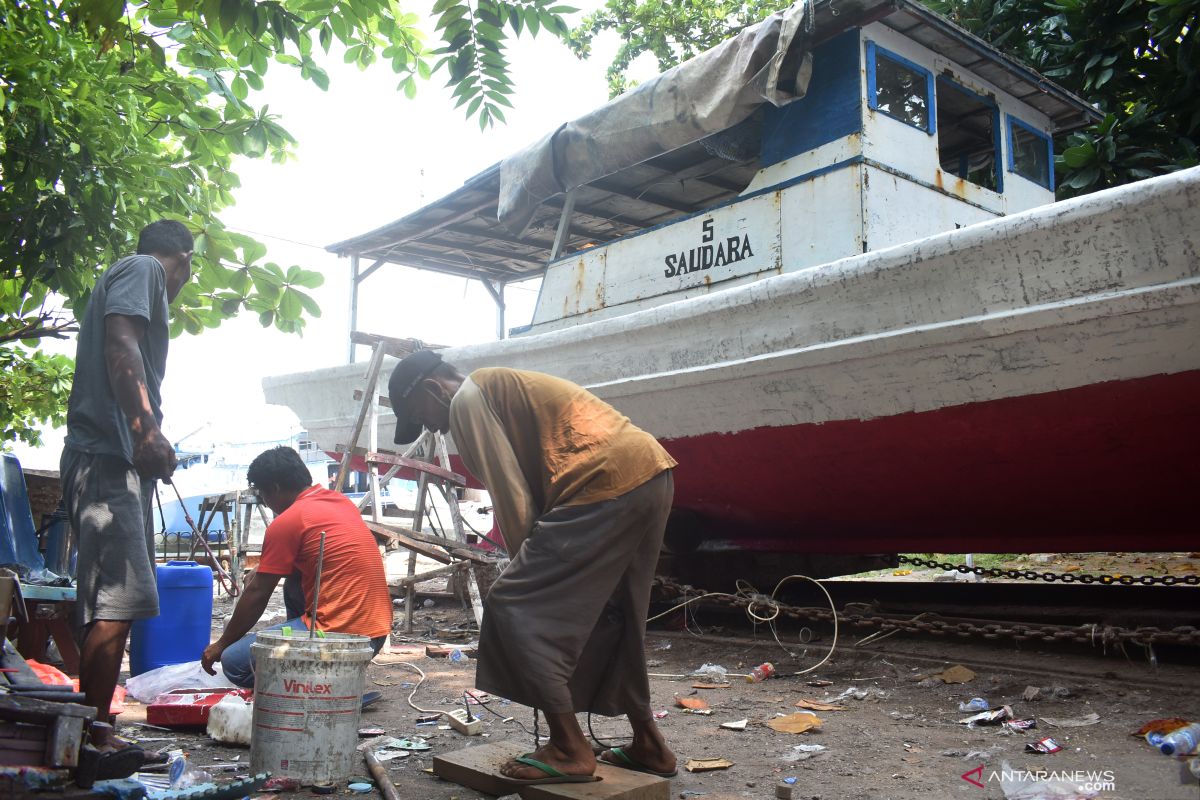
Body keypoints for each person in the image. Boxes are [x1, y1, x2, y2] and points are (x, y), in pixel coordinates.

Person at [387, 350, 678, 785]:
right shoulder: (500, 385)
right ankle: (649, 744)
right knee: (618, 613)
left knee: (512, 604)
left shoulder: (467, 399)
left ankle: (567, 748)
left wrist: (529, 578)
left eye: (421, 416)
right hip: (649, 473)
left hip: (598, 484)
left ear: (433, 389)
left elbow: (512, 496)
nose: (431, 428)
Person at [61, 220, 193, 725]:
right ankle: (92, 737)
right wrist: (145, 431)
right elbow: (121, 344)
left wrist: (146, 435)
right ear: (183, 260)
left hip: (113, 461)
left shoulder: (135, 276)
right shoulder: (144, 270)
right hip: (106, 459)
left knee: (113, 604)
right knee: (117, 604)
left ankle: (91, 731)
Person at [200, 446, 392, 687]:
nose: (266, 502)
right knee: (294, 582)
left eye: (263, 494)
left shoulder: (288, 520)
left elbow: (258, 593)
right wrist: (262, 570)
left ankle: (309, 687)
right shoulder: (340, 502)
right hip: (375, 635)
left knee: (234, 662)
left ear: (276, 488)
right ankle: (317, 672)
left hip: (340, 640)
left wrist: (221, 644)